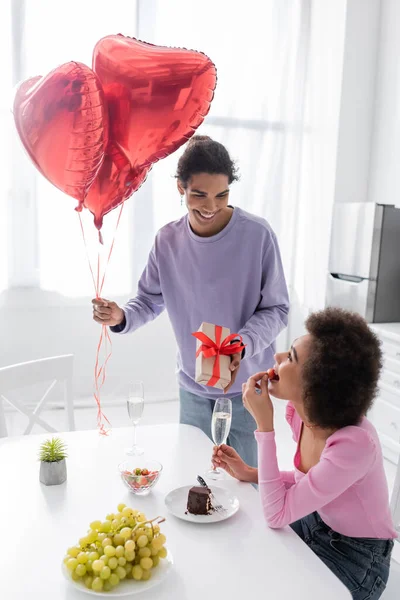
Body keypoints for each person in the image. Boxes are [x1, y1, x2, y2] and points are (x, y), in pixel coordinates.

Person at [92, 136, 289, 467]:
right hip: (193, 390)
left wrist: (242, 345)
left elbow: (277, 308)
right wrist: (121, 316)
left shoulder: (258, 235)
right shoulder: (167, 240)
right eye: (199, 194)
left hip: (247, 390)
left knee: (247, 492)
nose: (211, 205)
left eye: (221, 195)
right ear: (180, 188)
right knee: (195, 481)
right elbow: (149, 300)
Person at [212, 307, 397, 599]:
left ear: (316, 384)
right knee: (244, 561)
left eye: (291, 357)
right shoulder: (298, 414)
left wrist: (264, 427)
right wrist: (249, 473)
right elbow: (307, 484)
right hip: (316, 521)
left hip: (357, 557)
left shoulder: (355, 445)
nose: (277, 357)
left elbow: (277, 513)